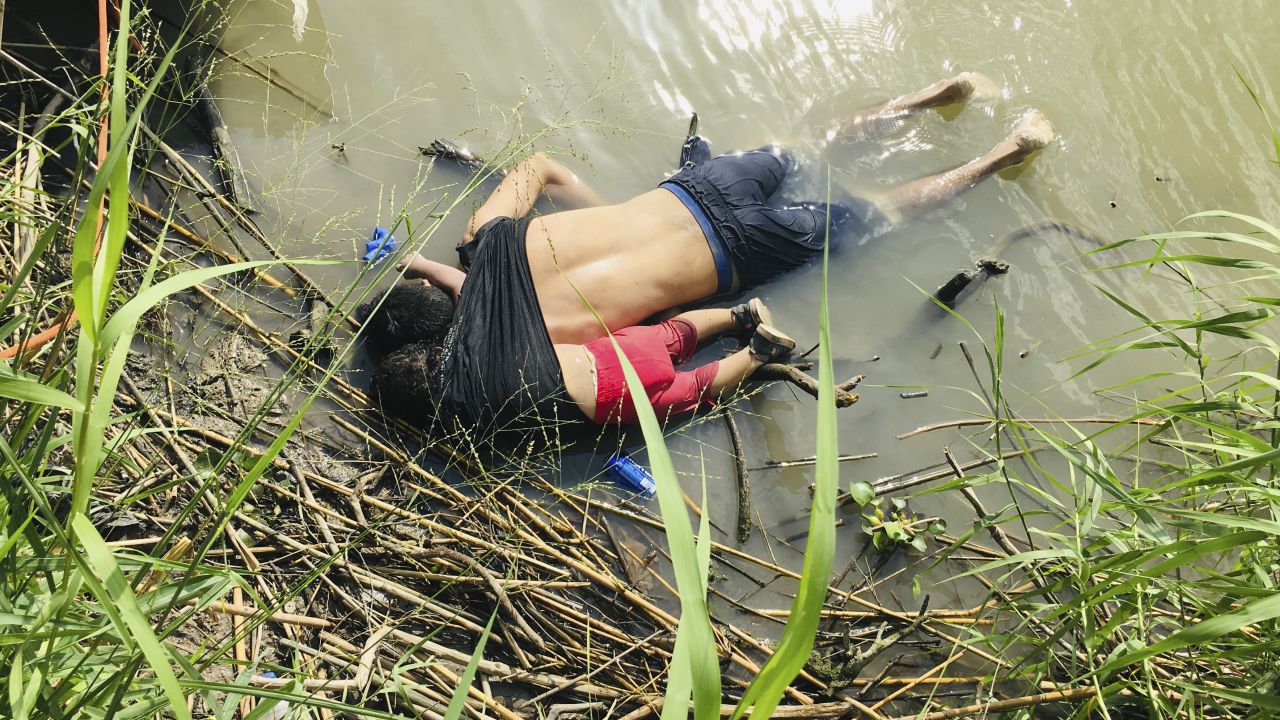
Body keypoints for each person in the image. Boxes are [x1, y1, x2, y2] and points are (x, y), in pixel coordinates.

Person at [360, 73, 1055, 436]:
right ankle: (938, 94)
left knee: (879, 211)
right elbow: (542, 165)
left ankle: (1005, 153)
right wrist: (624, 219)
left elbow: (658, 353)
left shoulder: (547, 347)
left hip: (737, 255)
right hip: (696, 192)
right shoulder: (487, 235)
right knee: (807, 146)